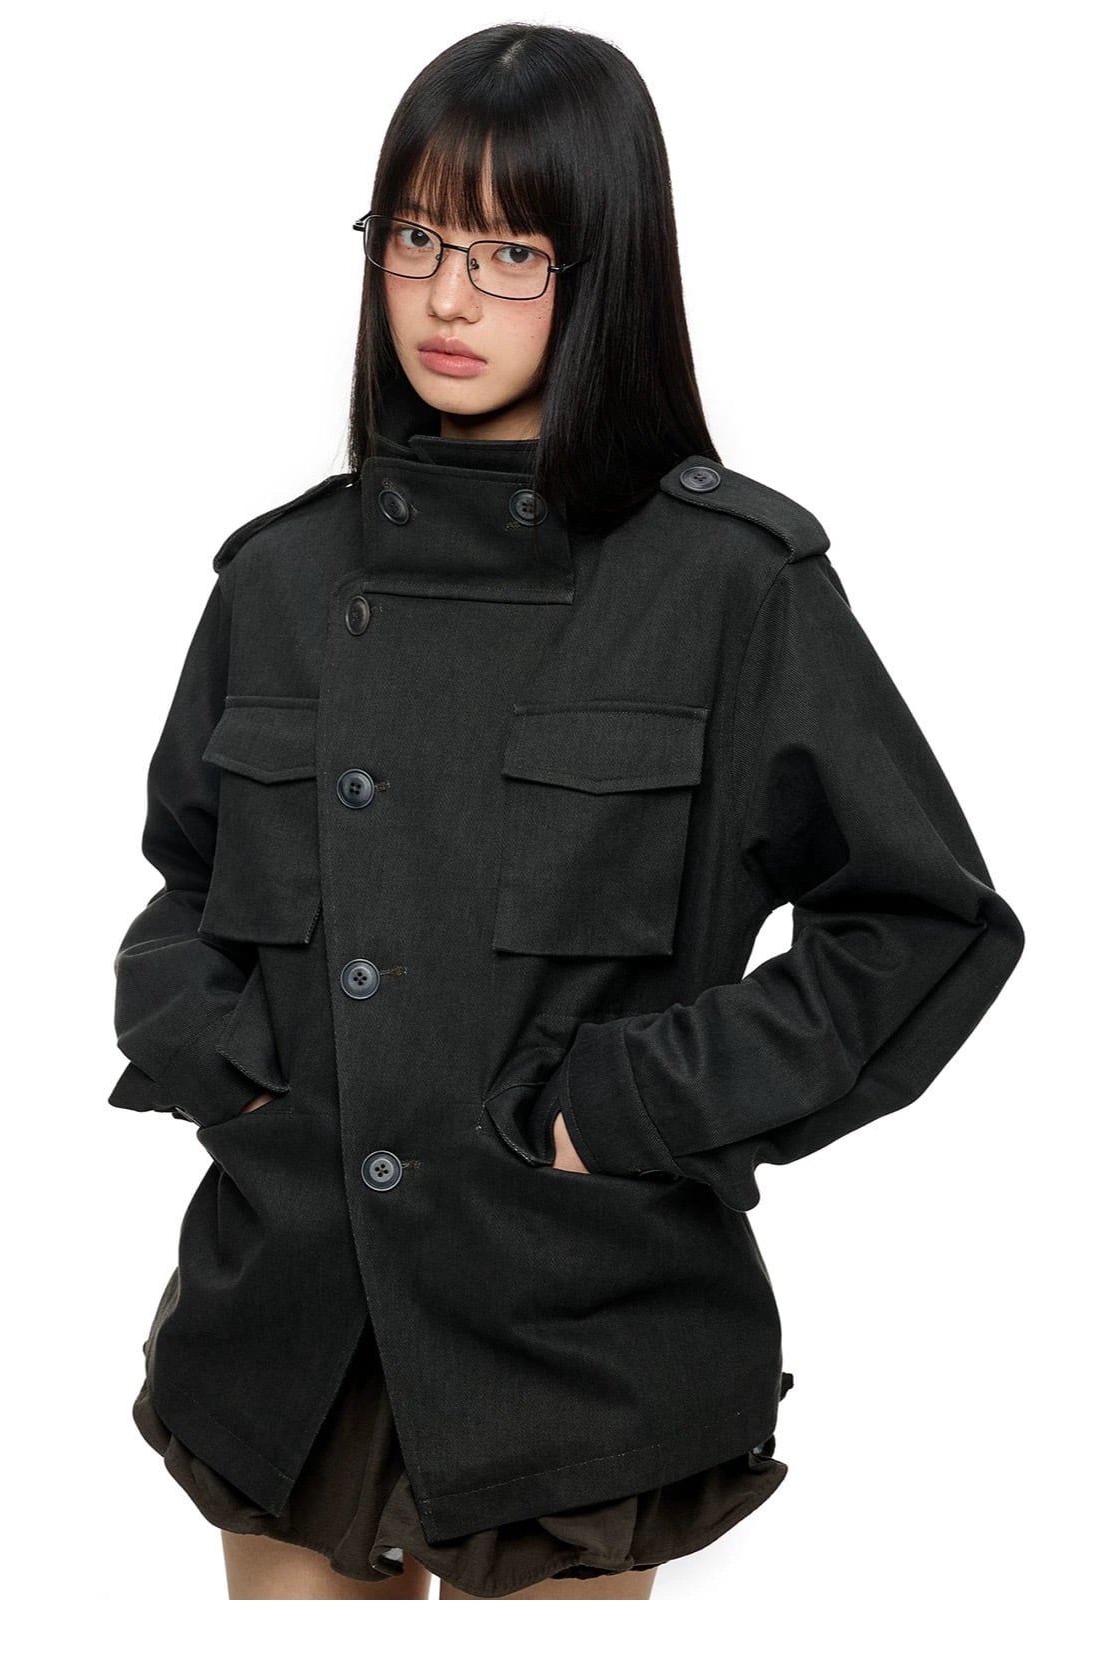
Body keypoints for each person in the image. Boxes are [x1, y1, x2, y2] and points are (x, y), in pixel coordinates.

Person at [110, 22, 1025, 1601]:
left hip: (574, 1341)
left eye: (510, 252)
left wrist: (621, 1112)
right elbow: (182, 891)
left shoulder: (730, 586)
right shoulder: (281, 575)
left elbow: (922, 928)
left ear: (607, 271)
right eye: (415, 237)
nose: (448, 297)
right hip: (284, 1329)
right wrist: (225, 1065)